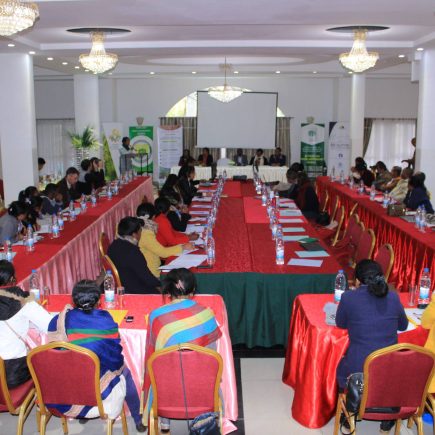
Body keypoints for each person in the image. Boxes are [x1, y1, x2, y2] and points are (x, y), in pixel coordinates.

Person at [47, 280, 145, 431]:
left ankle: (83, 410)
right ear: (99, 301)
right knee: (124, 371)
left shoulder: (59, 319)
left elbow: (53, 350)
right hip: (96, 381)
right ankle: (138, 419)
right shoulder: (105, 319)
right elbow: (114, 354)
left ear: (73, 300)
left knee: (82, 365)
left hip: (69, 382)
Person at [143, 268, 222, 432]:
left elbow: (152, 355)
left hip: (167, 386)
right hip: (201, 384)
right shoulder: (207, 314)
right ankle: (205, 414)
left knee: (161, 369)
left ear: (168, 291)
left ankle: (165, 422)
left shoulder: (156, 316)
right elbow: (212, 357)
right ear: (193, 290)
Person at [336, 259, 408, 433]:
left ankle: (350, 411)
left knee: (340, 365)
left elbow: (340, 323)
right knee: (386, 371)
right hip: (389, 364)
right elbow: (403, 325)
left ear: (357, 281)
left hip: (358, 367)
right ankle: (387, 420)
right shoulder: (393, 297)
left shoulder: (348, 297)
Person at [0, 260, 52, 388]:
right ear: (12, 279)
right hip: (13, 373)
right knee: (49, 362)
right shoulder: (22, 300)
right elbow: (50, 325)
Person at [137, 203, 193, 278]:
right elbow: (163, 252)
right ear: (153, 217)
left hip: (150, 266)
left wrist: (187, 237)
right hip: (152, 272)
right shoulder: (146, 233)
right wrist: (183, 247)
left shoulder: (140, 229)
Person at [107, 217, 160, 294]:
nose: (141, 234)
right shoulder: (133, 252)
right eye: (140, 231)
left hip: (121, 284)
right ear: (134, 234)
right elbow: (147, 279)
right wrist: (160, 284)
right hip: (135, 290)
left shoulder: (113, 245)